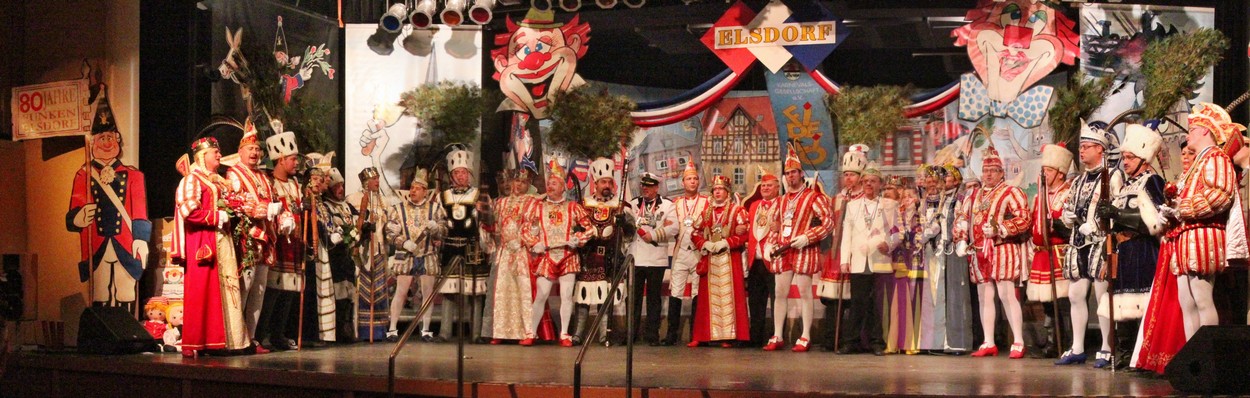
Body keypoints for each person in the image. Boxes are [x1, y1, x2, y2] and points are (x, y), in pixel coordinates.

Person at [65, 96, 151, 312]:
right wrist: (79, 216)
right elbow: (72, 215)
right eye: (100, 138)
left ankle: (126, 335)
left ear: (118, 139)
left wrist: (141, 239)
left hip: (125, 242)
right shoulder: (83, 175)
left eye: (109, 137)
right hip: (97, 243)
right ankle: (102, 335)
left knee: (126, 289)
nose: (105, 142)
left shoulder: (134, 176)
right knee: (99, 292)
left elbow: (139, 210)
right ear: (93, 143)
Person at [1167, 102, 1244, 338]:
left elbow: (1221, 194)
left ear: (1203, 130)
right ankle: (1194, 356)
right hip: (1187, 235)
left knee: (1202, 299)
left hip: (1204, 235)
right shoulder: (1199, 162)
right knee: (1187, 301)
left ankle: (1208, 354)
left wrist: (1184, 208)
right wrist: (1170, 210)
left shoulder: (1216, 158)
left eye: (1192, 129)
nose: (1188, 133)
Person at [1095, 124, 1165, 369]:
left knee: (1142, 307)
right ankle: (1124, 353)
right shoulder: (1125, 185)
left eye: (1130, 157)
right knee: (1123, 308)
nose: (1124, 162)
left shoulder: (1152, 182)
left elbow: (1156, 222)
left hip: (1143, 251)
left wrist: (1118, 213)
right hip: (1123, 252)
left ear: (1144, 158)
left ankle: (1142, 356)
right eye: (1124, 157)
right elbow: (1115, 223)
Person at [172, 137, 248, 357]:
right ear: (202, 156)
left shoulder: (216, 181)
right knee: (203, 293)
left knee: (228, 289)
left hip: (221, 240)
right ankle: (201, 342)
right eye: (215, 152)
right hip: (203, 241)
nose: (219, 155)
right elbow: (188, 211)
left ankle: (229, 341)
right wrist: (216, 216)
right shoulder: (192, 180)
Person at [1057, 122, 1123, 367]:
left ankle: (1107, 346)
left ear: (1100, 150)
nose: (1081, 152)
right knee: (1075, 295)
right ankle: (1077, 347)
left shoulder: (1113, 176)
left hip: (1101, 244)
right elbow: (1068, 207)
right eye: (1080, 147)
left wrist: (1096, 226)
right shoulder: (1079, 180)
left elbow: (1117, 208)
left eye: (1086, 147)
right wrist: (1068, 218)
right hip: (1078, 244)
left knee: (1102, 296)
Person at [956, 144, 1031, 359]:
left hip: (1002, 249)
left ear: (1001, 172)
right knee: (984, 296)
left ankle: (1018, 340)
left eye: (993, 171)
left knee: (1007, 294)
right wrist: (961, 239)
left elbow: (1024, 218)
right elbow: (962, 217)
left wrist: (1001, 229)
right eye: (985, 170)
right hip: (979, 251)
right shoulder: (973, 195)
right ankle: (988, 341)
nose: (988, 174)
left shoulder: (1011, 192)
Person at [1132, 140, 1196, 374]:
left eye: (1191, 153)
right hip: (1171, 244)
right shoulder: (1180, 181)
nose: (1186, 157)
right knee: (1168, 301)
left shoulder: (1194, 180)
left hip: (1187, 243)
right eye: (1184, 153)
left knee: (1185, 303)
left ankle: (1190, 355)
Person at [764, 144, 833, 352]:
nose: (790, 177)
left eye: (793, 172)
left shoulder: (813, 197)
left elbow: (828, 223)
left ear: (801, 174)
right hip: (783, 250)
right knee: (779, 291)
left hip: (804, 249)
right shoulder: (781, 200)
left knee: (804, 291)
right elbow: (774, 224)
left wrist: (808, 236)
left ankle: (805, 335)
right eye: (787, 173)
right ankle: (777, 334)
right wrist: (770, 241)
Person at [522, 160, 592, 346]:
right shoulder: (539, 207)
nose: (550, 186)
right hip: (547, 255)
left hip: (567, 255)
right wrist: (534, 243)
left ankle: (564, 333)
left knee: (566, 295)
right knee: (541, 295)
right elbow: (525, 229)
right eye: (549, 183)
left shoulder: (573, 207)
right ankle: (531, 332)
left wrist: (578, 239)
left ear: (563, 187)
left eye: (554, 183)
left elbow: (590, 229)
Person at [225, 125, 282, 352]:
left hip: (266, 239)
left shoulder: (263, 176)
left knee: (259, 290)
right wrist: (262, 209)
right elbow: (236, 202)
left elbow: (276, 199)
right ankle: (237, 337)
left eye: (257, 149)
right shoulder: (233, 174)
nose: (255, 153)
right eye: (250, 148)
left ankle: (252, 337)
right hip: (246, 239)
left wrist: (284, 215)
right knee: (244, 287)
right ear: (240, 152)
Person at [837, 163, 898, 356]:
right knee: (857, 303)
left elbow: (897, 232)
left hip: (879, 259)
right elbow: (846, 234)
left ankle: (877, 342)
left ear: (880, 184)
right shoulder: (852, 206)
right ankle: (850, 342)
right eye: (866, 181)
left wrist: (888, 245)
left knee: (876, 304)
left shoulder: (889, 205)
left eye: (873, 181)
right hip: (858, 260)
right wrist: (844, 259)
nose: (869, 184)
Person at [385, 168, 447, 342]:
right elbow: (389, 232)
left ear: (425, 192)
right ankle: (392, 329)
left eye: (417, 188)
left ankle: (426, 330)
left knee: (428, 294)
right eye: (411, 188)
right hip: (406, 255)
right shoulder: (399, 209)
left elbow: (444, 230)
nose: (413, 191)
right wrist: (403, 242)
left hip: (427, 254)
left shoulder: (435, 209)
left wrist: (437, 229)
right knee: (401, 292)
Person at [255, 129, 304, 351]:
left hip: (295, 244)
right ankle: (262, 333)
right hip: (278, 243)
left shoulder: (295, 185)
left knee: (289, 293)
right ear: (281, 160)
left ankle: (278, 334)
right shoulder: (269, 182)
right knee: (273, 291)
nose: (296, 163)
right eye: (293, 159)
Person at [688, 175, 750, 347]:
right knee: (705, 300)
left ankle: (727, 337)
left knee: (730, 298)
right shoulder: (706, 211)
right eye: (715, 189)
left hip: (730, 260)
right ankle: (702, 336)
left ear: (727, 192)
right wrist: (704, 243)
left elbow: (745, 233)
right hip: (710, 260)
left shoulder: (737, 211)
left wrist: (727, 242)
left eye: (721, 189)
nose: (717, 192)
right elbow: (694, 232)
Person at [439, 149, 494, 343]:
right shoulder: (443, 196)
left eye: (464, 172)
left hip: (472, 248)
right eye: (457, 173)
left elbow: (491, 220)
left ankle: (476, 333)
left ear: (469, 174)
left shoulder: (480, 195)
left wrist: (483, 212)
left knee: (475, 293)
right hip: (451, 247)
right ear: (452, 176)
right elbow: (439, 219)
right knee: (449, 292)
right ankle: (445, 333)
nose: (461, 176)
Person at [575, 157, 630, 345]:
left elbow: (630, 232)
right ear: (595, 183)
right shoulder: (585, 204)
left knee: (604, 298)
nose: (607, 185)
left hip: (609, 257)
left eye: (609, 182)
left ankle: (604, 334)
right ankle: (578, 333)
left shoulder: (619, 205)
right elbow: (577, 226)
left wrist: (625, 224)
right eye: (603, 182)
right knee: (583, 296)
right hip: (589, 256)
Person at [818, 145, 868, 351]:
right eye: (846, 175)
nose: (848, 178)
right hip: (837, 253)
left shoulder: (865, 198)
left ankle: (850, 339)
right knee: (832, 299)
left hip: (857, 252)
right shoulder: (838, 198)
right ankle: (830, 338)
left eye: (852, 175)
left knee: (853, 300)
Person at [1027, 144, 1073, 358]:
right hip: (1044, 252)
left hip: (1061, 252)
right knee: (1047, 302)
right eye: (1043, 169)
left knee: (1064, 300)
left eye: (1049, 170)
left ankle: (1068, 342)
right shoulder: (1040, 196)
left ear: (1060, 173)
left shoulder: (1069, 193)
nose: (1045, 174)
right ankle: (1052, 341)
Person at [487, 168, 538, 343]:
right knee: (502, 291)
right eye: (516, 181)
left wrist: (523, 240)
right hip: (505, 251)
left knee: (523, 291)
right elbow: (495, 225)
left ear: (528, 185)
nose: (518, 185)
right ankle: (501, 331)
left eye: (523, 182)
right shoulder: (501, 203)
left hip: (522, 252)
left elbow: (535, 226)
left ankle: (528, 332)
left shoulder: (532, 203)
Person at [661, 161, 709, 346]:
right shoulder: (676, 203)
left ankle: (697, 334)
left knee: (697, 292)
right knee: (676, 291)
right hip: (680, 251)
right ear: (683, 182)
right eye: (689, 179)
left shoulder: (706, 202)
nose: (693, 182)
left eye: (695, 179)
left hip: (698, 252)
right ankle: (672, 333)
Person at [631, 172, 676, 346]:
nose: (645, 189)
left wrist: (654, 235)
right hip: (636, 257)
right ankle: (631, 334)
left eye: (649, 186)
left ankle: (652, 335)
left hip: (656, 258)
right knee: (633, 298)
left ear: (656, 188)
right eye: (643, 186)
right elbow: (628, 225)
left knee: (653, 299)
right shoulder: (634, 204)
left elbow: (673, 228)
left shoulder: (667, 205)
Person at [350, 167, 392, 342]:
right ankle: (364, 330)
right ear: (366, 181)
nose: (377, 181)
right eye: (374, 178)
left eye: (378, 178)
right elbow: (353, 222)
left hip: (380, 250)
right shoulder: (354, 199)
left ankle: (379, 330)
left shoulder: (384, 201)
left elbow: (389, 225)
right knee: (364, 290)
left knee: (380, 290)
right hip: (364, 251)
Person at [317, 168, 358, 343]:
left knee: (350, 293)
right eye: (336, 186)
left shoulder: (347, 205)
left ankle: (348, 327)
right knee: (339, 293)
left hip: (348, 255)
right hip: (335, 255)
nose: (340, 189)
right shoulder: (326, 205)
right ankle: (340, 329)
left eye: (342, 185)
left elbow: (358, 218)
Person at [939, 165, 975, 354]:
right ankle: (942, 339)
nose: (943, 181)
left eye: (946, 178)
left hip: (955, 248)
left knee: (956, 294)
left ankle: (959, 341)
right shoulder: (942, 199)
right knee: (942, 295)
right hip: (941, 249)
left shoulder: (961, 198)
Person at [742, 167, 780, 347]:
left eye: (769, 185)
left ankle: (776, 335)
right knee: (756, 301)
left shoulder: (782, 204)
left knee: (776, 299)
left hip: (773, 259)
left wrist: (779, 226)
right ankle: (755, 336)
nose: (765, 188)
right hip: (754, 260)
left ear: (777, 188)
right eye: (763, 185)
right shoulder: (754, 205)